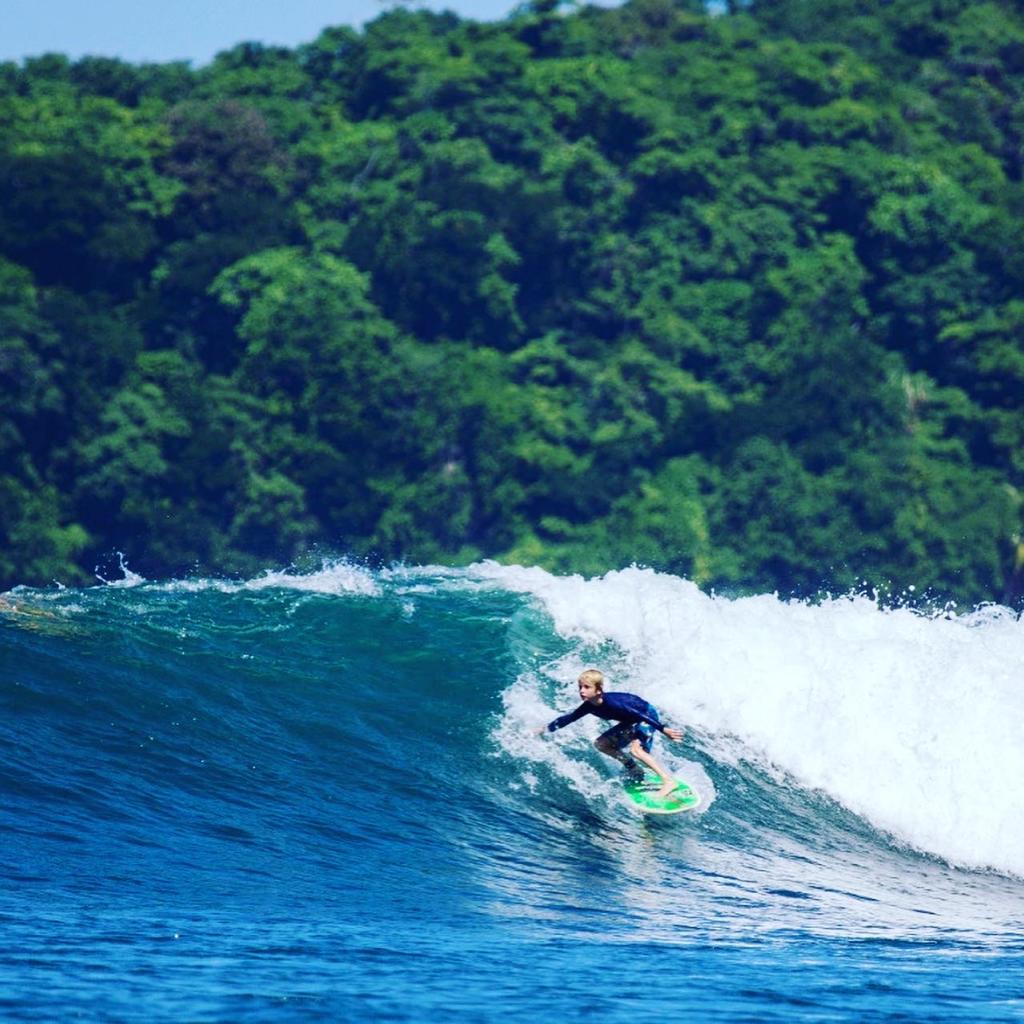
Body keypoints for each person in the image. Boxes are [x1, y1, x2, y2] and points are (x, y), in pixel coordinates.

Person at [538, 668, 684, 798]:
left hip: (646, 714)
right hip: (631, 720)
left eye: (586, 687)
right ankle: (634, 768)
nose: (581, 691)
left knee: (636, 750)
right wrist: (545, 729)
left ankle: (669, 781)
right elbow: (569, 718)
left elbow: (640, 714)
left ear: (598, 690)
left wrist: (663, 729)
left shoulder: (613, 702)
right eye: (580, 687)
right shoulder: (589, 706)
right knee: (601, 744)